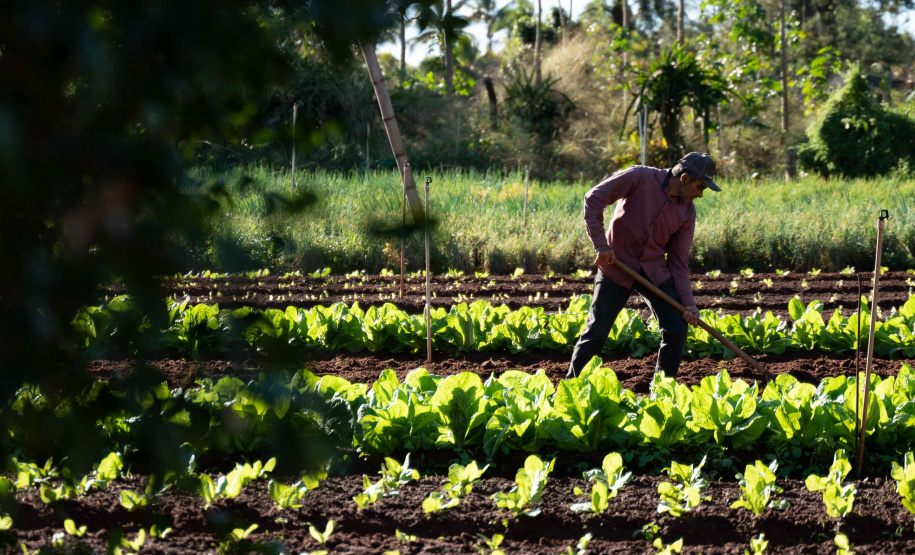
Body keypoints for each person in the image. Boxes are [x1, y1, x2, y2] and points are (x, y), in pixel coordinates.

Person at [566, 152, 721, 380]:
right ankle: (573, 385)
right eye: (700, 187)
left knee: (677, 328)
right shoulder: (639, 177)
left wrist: (688, 304)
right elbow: (593, 198)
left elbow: (678, 262)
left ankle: (662, 390)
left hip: (654, 270)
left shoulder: (687, 212)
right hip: (617, 265)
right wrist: (601, 244)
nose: (700, 195)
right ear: (685, 178)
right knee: (597, 331)